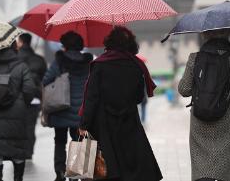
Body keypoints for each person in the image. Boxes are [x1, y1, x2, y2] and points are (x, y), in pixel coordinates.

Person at [78, 26, 163, 181]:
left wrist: (84, 123)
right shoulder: (136, 65)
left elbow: (92, 97)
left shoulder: (100, 65)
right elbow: (139, 97)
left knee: (109, 167)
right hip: (129, 121)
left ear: (109, 42)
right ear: (130, 44)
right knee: (130, 166)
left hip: (104, 124)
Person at [178, 29, 230, 181]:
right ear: (229, 34)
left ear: (205, 35)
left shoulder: (194, 58)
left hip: (200, 118)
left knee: (202, 161)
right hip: (227, 118)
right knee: (225, 157)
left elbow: (184, 90)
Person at [0, 43, 37, 181]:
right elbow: (29, 90)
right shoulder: (21, 66)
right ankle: (17, 178)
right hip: (17, 114)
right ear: (14, 48)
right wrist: (23, 103)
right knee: (17, 147)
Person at [43, 31, 93, 181]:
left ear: (64, 45)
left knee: (59, 141)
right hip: (80, 110)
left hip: (60, 108)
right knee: (79, 140)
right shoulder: (88, 63)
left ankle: (59, 172)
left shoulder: (59, 61)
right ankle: (76, 174)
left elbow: (46, 80)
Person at [16, 33, 47, 159]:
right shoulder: (39, 59)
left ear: (21, 42)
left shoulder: (14, 58)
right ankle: (29, 152)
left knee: (17, 125)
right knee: (30, 127)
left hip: (17, 98)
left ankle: (19, 150)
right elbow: (45, 79)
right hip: (34, 99)